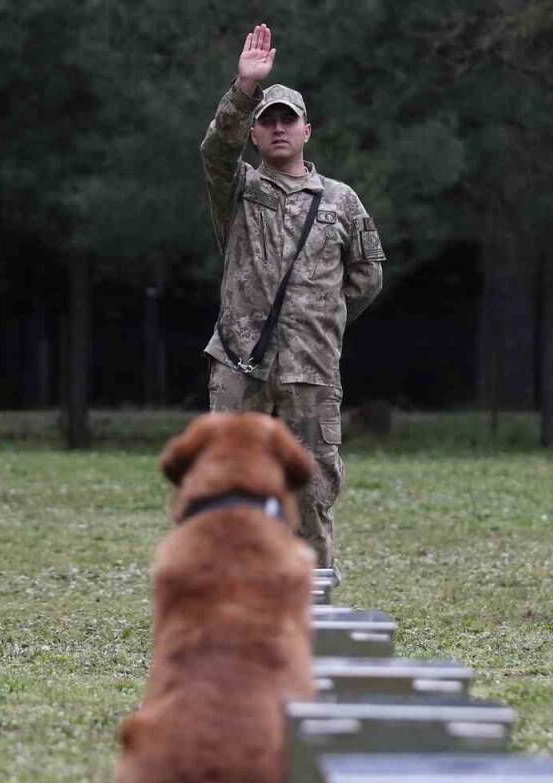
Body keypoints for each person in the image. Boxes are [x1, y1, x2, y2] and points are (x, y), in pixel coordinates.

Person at [200, 23, 385, 568]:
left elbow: (368, 272)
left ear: (308, 130)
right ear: (255, 134)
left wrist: (322, 315)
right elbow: (215, 150)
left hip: (311, 369)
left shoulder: (341, 201)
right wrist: (244, 88)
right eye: (268, 121)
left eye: (289, 120)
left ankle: (313, 617)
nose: (278, 128)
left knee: (310, 494)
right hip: (240, 362)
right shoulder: (237, 189)